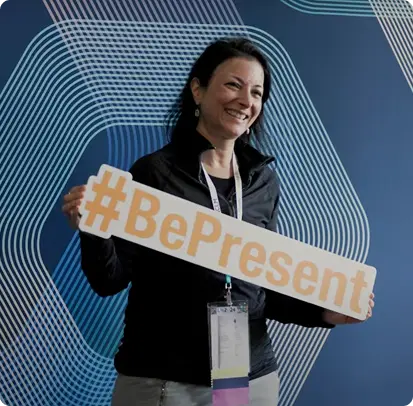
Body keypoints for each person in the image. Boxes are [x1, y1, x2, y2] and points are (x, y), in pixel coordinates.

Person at [62, 37, 374, 406]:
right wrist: (94, 230)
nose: (246, 101)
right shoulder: (154, 173)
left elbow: (264, 289)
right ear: (198, 90)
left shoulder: (263, 182)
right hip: (164, 381)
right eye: (233, 85)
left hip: (247, 380)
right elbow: (108, 280)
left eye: (256, 92)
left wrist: (324, 312)